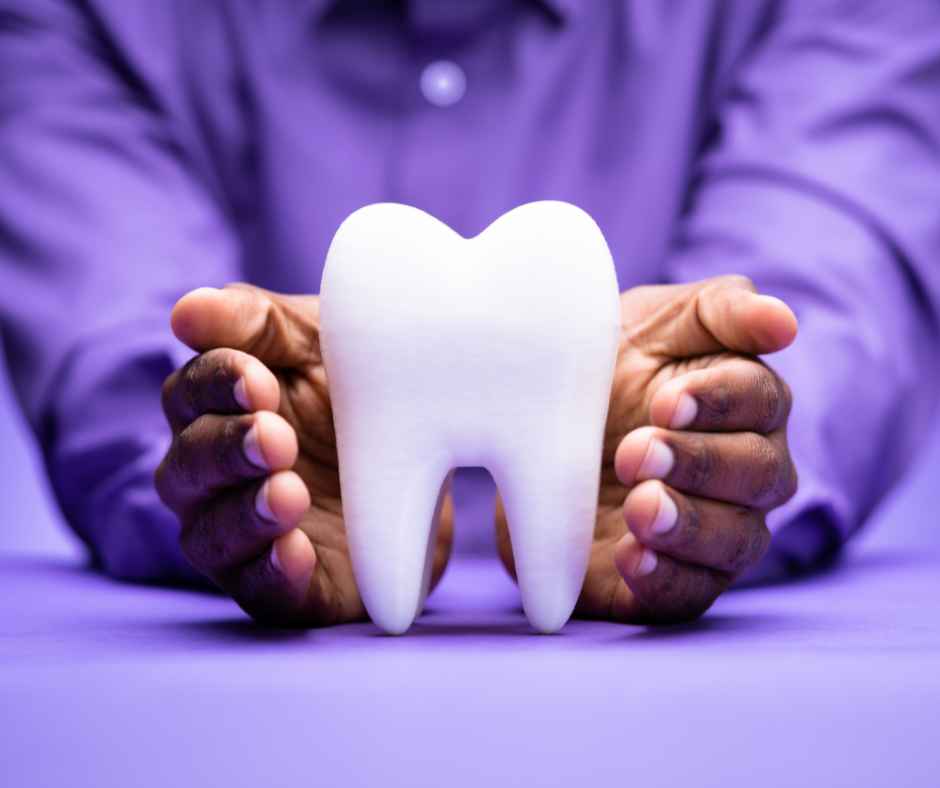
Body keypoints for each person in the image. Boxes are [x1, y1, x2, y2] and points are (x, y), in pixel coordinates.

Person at [1, 0, 938, 627]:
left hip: (611, 489)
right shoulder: (85, 16)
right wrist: (239, 442)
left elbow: (837, 270)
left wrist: (709, 423)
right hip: (316, 502)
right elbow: (117, 338)